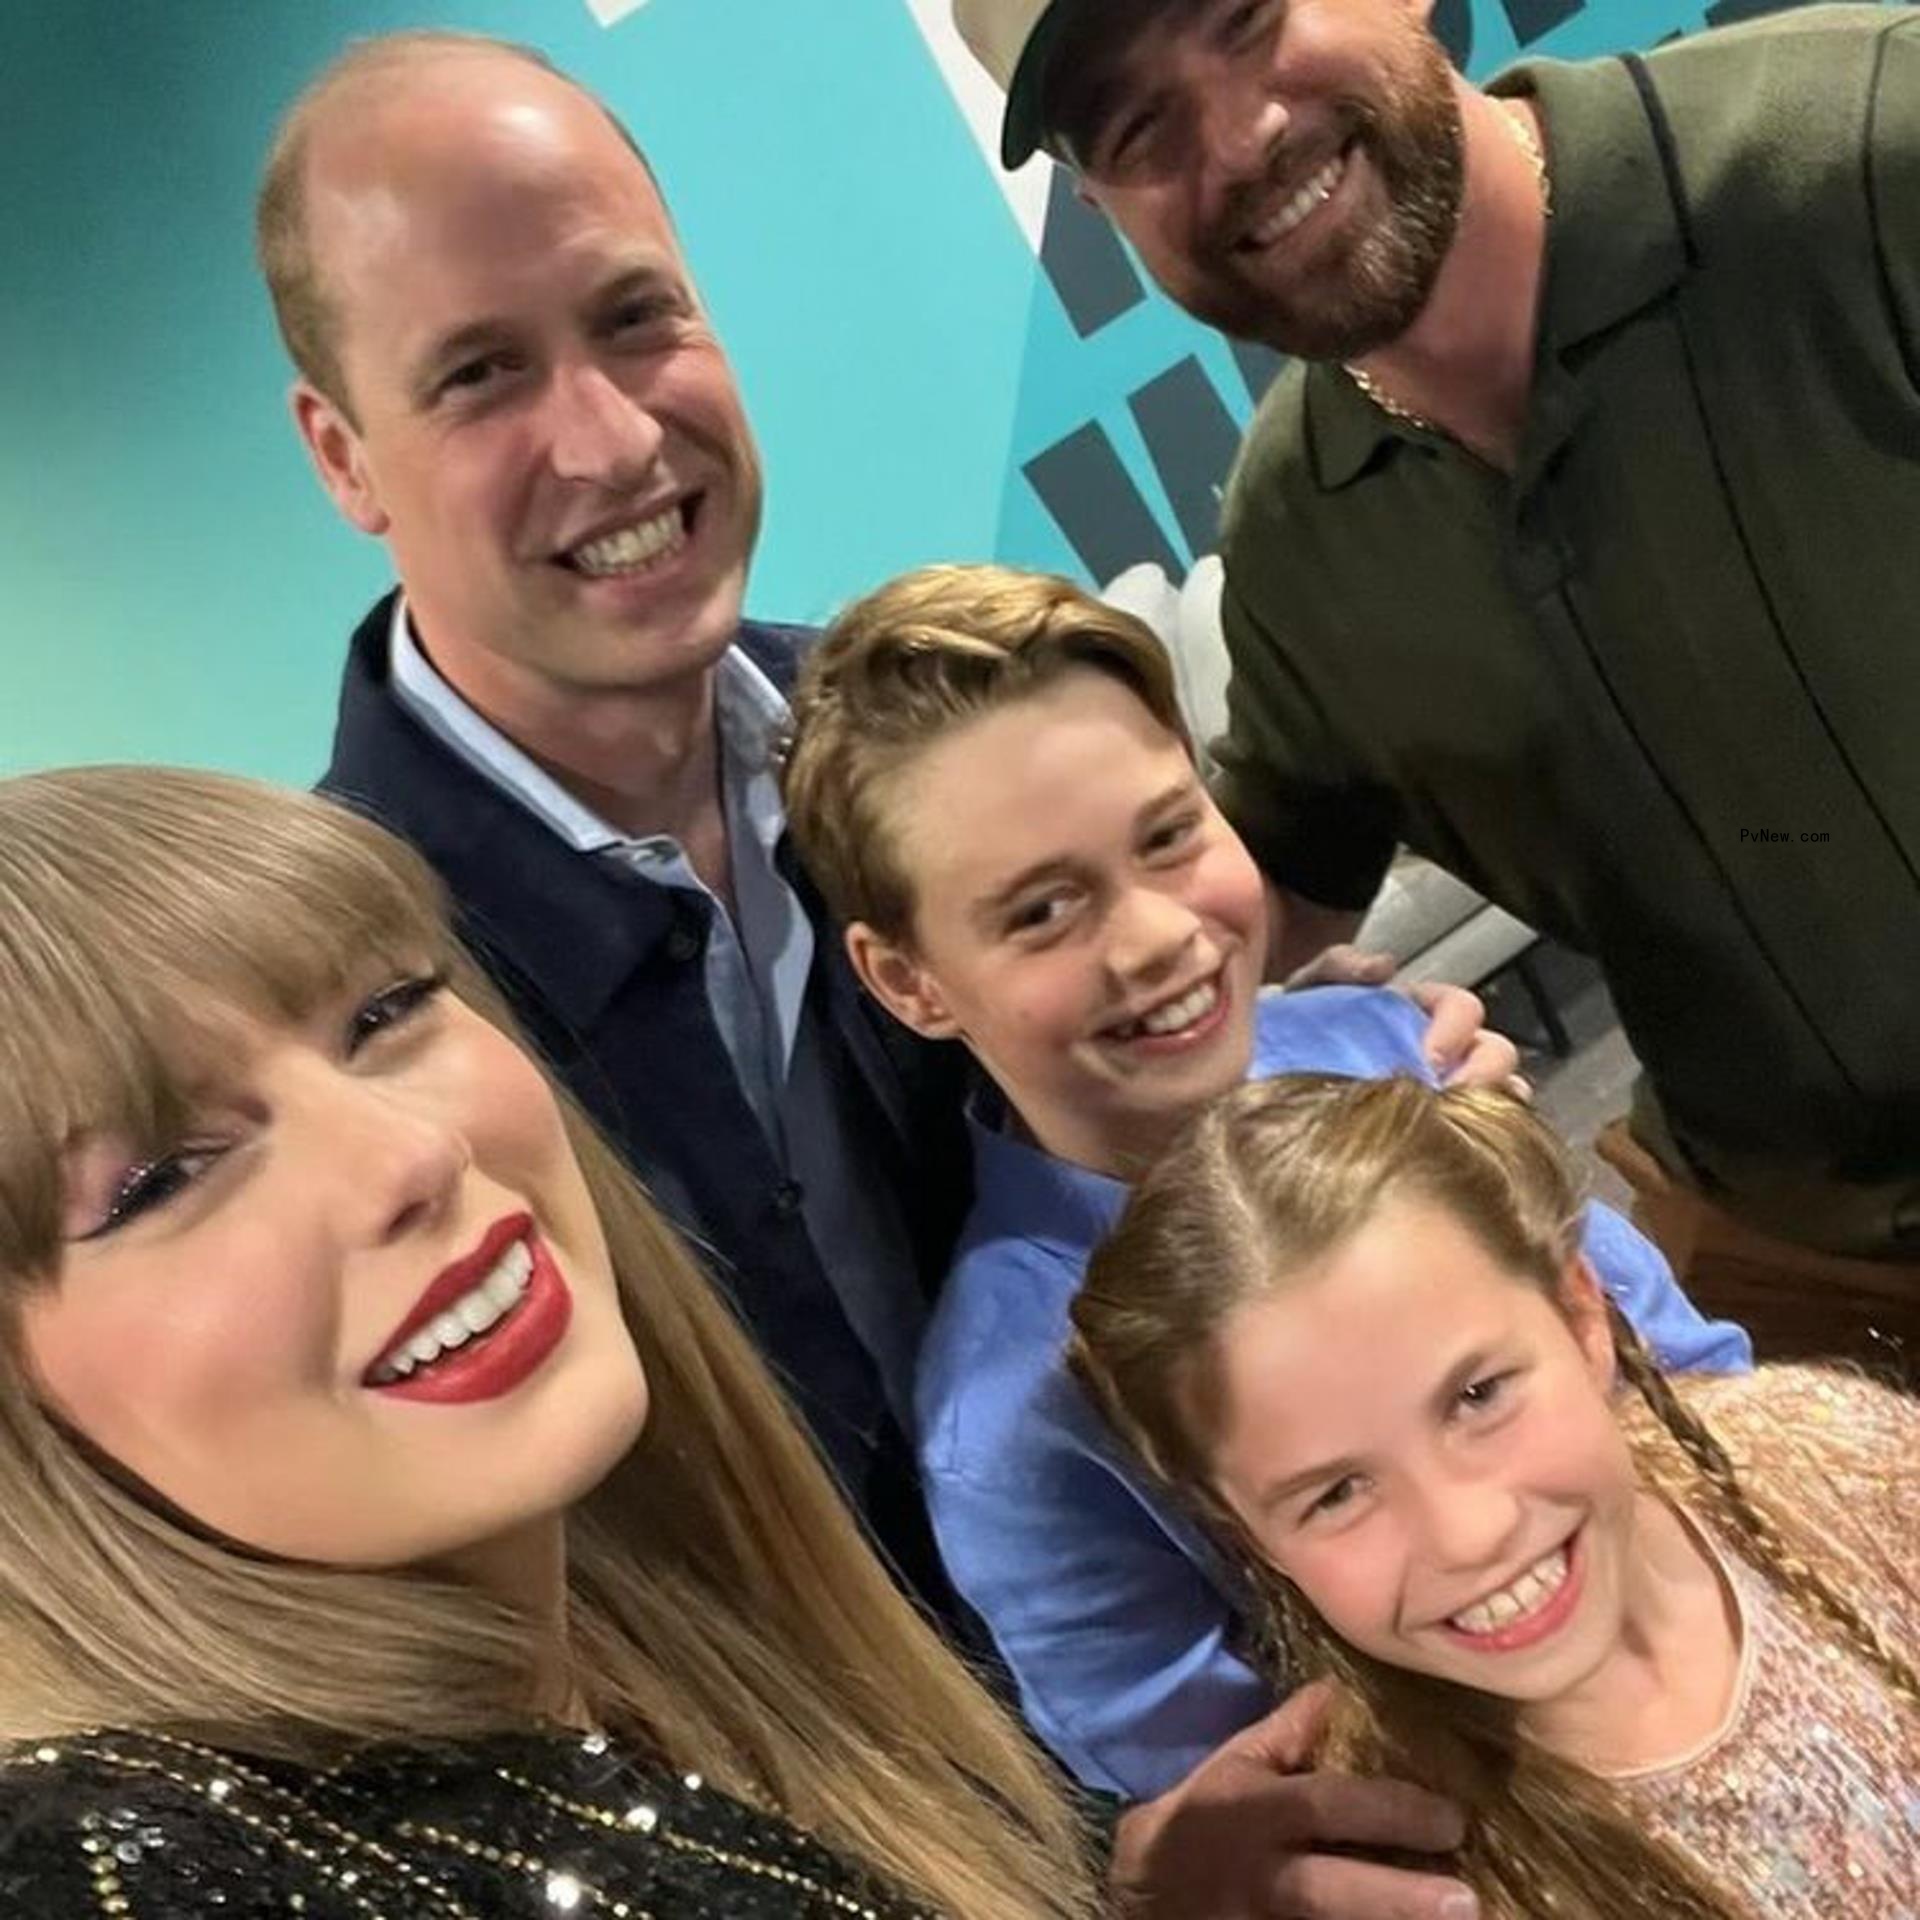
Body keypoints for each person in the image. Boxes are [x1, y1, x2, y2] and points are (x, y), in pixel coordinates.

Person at [257, 29, 1496, 1605]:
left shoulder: (910, 741)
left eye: (637, 318)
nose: (615, 439)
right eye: (480, 373)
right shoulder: (328, 1000)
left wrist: (1298, 1093)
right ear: (343, 455)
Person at [0, 765, 1467, 1920]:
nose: (406, 1156)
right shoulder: (106, 1864)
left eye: (385, 1013)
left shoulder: (652, 1662)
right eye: (162, 1178)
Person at [952, 0, 1920, 1361]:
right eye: (1136, 125)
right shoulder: (1303, 533)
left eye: (1242, 18)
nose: (1236, 140)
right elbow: (1265, 884)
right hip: (1796, 1264)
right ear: (1108, 206)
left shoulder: (1869, 145)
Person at [779, 562, 1747, 1805]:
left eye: (1170, 836)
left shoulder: (1390, 1045)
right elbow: (1248, 1814)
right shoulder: (1011, 1425)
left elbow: (1687, 1370)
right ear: (908, 980)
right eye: (1041, 911)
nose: (1159, 938)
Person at [1071, 1072, 1919, 1918]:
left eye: (1478, 1396)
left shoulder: (1832, 1453)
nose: (1468, 1532)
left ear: (1582, 1318)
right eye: (1335, 1494)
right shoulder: (1386, 1878)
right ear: (1248, 1536)